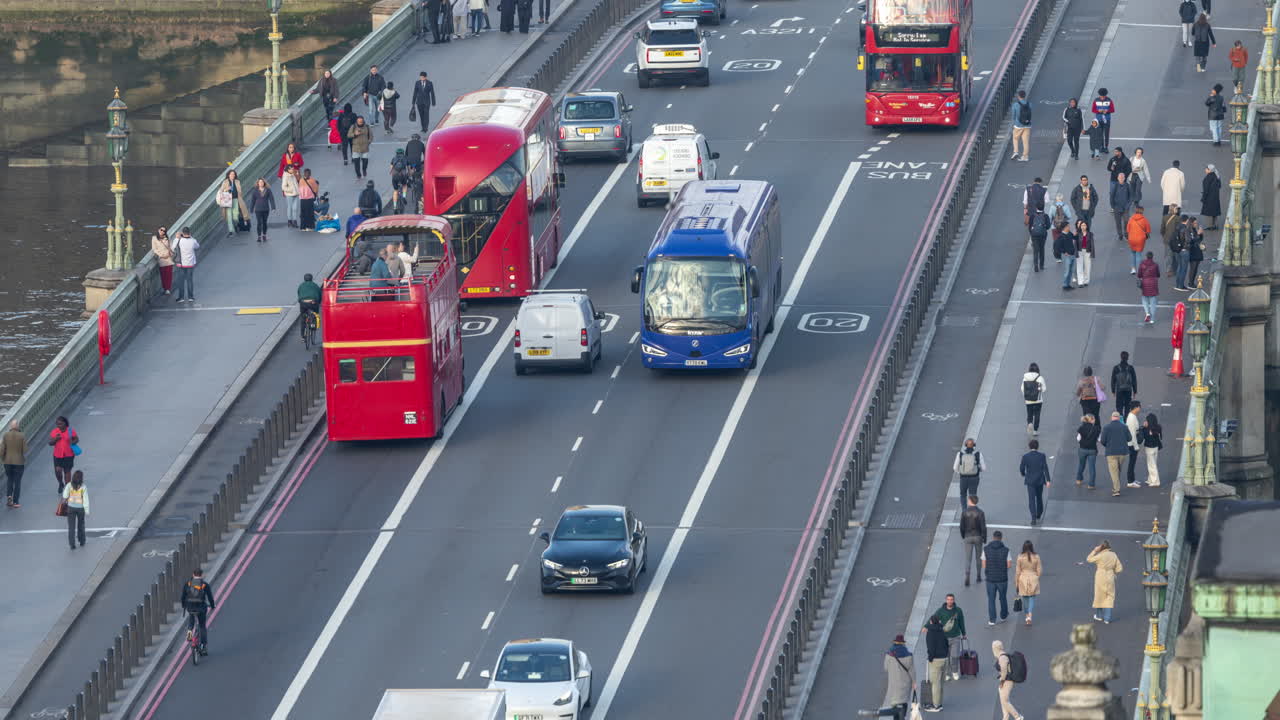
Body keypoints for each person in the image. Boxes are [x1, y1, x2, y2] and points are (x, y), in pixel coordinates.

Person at [182, 568, 217, 655]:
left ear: (193, 575)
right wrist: (212, 606)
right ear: (201, 575)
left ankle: (189, 632)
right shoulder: (205, 585)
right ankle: (203, 646)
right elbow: (210, 597)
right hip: (201, 608)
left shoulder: (188, 584)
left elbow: (183, 596)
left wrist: (184, 605)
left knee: (191, 619)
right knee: (202, 626)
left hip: (190, 607)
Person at [1087, 541, 1123, 624]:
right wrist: (1113, 570)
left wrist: (1094, 550)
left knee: (1099, 596)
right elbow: (1119, 568)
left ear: (1101, 548)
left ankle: (1099, 616)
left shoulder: (1100, 556)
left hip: (1100, 576)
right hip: (1110, 576)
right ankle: (1107, 618)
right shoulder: (1114, 555)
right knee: (1110, 596)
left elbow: (1088, 559)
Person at [883, 634, 916, 719]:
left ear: (895, 642)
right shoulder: (908, 655)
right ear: (903, 643)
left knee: (895, 704)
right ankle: (902, 717)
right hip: (905, 685)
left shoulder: (889, 655)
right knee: (903, 702)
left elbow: (886, 668)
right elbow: (912, 671)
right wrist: (914, 682)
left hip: (894, 684)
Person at [982, 530, 1011, 625]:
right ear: (1001, 538)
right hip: (1002, 579)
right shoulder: (1006, 550)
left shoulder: (986, 549)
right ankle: (1003, 615)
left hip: (990, 579)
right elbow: (1009, 565)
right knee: (1003, 598)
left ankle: (992, 619)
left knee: (991, 599)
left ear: (993, 538)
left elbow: (983, 565)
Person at [1100, 411, 1131, 497]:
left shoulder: (1106, 427)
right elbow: (1129, 438)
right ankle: (1116, 486)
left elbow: (1102, 441)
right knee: (1118, 470)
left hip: (1111, 453)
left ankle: (1116, 490)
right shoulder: (1124, 427)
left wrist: (1108, 445)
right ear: (1119, 418)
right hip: (1122, 453)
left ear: (1112, 417)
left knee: (1114, 471)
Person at [1019, 439, 1050, 525]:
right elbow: (1045, 468)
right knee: (1039, 497)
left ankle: (1033, 518)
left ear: (1029, 447)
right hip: (1040, 480)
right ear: (1037, 446)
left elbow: (1021, 468)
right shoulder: (1042, 456)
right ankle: (1039, 514)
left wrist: (1023, 474)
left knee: (1031, 499)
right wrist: (1048, 480)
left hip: (1030, 480)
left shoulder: (1025, 456)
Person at [992, 640, 1023, 720]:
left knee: (1005, 701)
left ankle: (1018, 717)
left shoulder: (1002, 657)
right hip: (1006, 680)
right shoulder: (1003, 654)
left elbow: (1004, 670)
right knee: (1004, 700)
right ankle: (1005, 717)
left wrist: (1002, 681)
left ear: (995, 649)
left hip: (1007, 681)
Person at [960, 496, 987, 587]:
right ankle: (978, 575)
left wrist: (963, 535)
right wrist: (984, 537)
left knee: (968, 558)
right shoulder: (980, 512)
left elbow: (962, 526)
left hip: (968, 536)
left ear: (970, 501)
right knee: (978, 557)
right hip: (978, 536)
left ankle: (967, 574)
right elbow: (983, 527)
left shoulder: (964, 512)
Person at [923, 616, 948, 712]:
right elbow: (946, 643)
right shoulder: (942, 630)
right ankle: (940, 703)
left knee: (935, 683)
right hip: (944, 658)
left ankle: (935, 705)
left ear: (931, 622)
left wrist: (930, 658)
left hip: (935, 660)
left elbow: (931, 647)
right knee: (941, 682)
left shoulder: (930, 633)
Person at [1014, 541, 1041, 626]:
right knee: (1032, 598)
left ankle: (1027, 615)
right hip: (1033, 578)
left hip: (1023, 578)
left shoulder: (1020, 557)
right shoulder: (1036, 557)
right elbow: (1039, 570)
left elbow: (1018, 571)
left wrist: (1016, 582)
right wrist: (1036, 576)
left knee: (1025, 598)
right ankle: (1030, 615)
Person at [172, 227, 200, 303]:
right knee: (189, 280)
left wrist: (176, 238)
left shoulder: (179, 240)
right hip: (190, 263)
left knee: (181, 281)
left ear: (182, 233)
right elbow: (197, 246)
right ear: (189, 233)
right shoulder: (193, 240)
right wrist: (191, 237)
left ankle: (181, 297)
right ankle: (191, 297)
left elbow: (173, 248)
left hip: (181, 264)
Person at [953, 437, 986, 501]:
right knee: (973, 496)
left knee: (963, 495)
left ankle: (964, 510)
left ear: (965, 445)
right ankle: (972, 510)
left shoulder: (960, 454)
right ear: (974, 445)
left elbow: (954, 468)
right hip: (974, 478)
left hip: (963, 478)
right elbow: (984, 468)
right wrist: (978, 470)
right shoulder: (978, 454)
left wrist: (961, 472)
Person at [2, 421, 26, 508]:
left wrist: (3, 459)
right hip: (19, 462)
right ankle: (16, 502)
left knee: (10, 479)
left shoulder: (5, 435)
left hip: (7, 462)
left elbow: (1, 449)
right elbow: (25, 450)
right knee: (17, 481)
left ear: (10, 427)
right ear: (18, 426)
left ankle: (9, 496)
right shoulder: (22, 435)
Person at [62, 470, 89, 549]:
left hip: (71, 508)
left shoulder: (69, 485)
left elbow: (65, 496)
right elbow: (86, 499)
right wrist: (87, 510)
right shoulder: (83, 487)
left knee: (71, 527)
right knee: (81, 525)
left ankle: (72, 543)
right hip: (80, 509)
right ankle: (82, 540)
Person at [218, 169, 248, 237]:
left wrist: (239, 193)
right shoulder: (225, 182)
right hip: (228, 200)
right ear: (228, 175)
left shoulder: (237, 181)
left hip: (235, 199)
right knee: (229, 216)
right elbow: (221, 191)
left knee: (235, 215)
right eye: (231, 174)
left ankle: (236, 225)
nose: (233, 175)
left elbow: (240, 191)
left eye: (234, 174)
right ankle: (231, 231)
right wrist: (226, 189)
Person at [247, 178, 276, 243]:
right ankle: (259, 236)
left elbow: (271, 199)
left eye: (262, 182)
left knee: (264, 222)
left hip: (266, 209)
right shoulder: (255, 191)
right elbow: (252, 201)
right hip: (258, 209)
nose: (261, 183)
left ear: (264, 183)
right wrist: (251, 209)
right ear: (257, 183)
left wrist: (273, 207)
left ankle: (264, 235)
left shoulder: (268, 190)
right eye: (259, 182)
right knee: (259, 223)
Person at [1076, 413, 1100, 489]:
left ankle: (1079, 479)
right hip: (1092, 450)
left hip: (1082, 449)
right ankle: (1091, 484)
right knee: (1092, 467)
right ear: (1091, 420)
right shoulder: (1097, 429)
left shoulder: (1081, 427)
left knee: (1081, 465)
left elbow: (1078, 439)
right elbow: (1099, 439)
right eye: (1094, 419)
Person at [1111, 351, 1138, 416]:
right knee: (1127, 407)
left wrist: (1113, 391)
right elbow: (1134, 380)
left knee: (1119, 406)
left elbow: (1113, 380)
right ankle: (1126, 420)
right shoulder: (1130, 368)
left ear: (1121, 357)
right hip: (1128, 390)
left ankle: (1120, 421)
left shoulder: (1116, 368)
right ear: (1127, 358)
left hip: (1119, 390)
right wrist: (1135, 391)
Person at [1139, 413, 1164, 487]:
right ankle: (1150, 479)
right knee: (1154, 464)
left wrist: (1143, 427)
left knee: (1151, 465)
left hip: (1149, 448)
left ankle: (1155, 481)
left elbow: (1142, 437)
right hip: (1156, 447)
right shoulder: (1158, 427)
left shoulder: (1146, 429)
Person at [1021, 363, 1045, 435]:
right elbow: (1044, 389)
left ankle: (1030, 423)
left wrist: (1026, 395)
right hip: (1038, 399)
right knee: (1037, 414)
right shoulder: (1040, 378)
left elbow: (1022, 388)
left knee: (1029, 413)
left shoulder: (1025, 378)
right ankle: (1035, 430)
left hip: (1028, 400)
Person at [1126, 205, 1150, 275]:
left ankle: (1133, 268)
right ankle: (1139, 269)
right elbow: (1148, 230)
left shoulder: (1131, 219)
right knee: (1138, 254)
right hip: (1140, 239)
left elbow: (1127, 230)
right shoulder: (1144, 220)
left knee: (1132, 253)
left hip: (1131, 239)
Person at [1027, 202, 1050, 272]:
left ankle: (1036, 266)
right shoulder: (1045, 216)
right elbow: (1048, 226)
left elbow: (1029, 226)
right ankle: (1041, 265)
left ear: (1036, 208)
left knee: (1035, 250)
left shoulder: (1032, 216)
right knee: (1042, 249)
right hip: (1042, 235)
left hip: (1034, 235)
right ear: (1043, 208)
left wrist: (1032, 233)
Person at [1125, 401, 1143, 488]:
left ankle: (1132, 479)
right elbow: (1132, 434)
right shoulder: (1132, 418)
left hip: (1131, 443)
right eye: (1139, 407)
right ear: (1135, 408)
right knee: (1132, 463)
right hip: (1132, 444)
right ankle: (1130, 481)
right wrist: (1136, 446)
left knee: (1132, 462)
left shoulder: (1132, 416)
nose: (1140, 408)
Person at [1054, 220, 1077, 290]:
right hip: (1068, 256)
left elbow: (1075, 238)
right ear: (1064, 228)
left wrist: (1075, 234)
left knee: (1071, 271)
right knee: (1067, 271)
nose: (1069, 227)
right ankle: (1065, 285)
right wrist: (1064, 252)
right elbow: (1057, 246)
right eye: (1068, 226)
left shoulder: (1069, 233)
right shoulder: (1061, 236)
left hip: (1073, 254)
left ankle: (1068, 284)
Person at [297, 273, 322, 337]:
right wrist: (319, 302)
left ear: (304, 279)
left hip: (303, 303)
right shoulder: (315, 285)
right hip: (313, 302)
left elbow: (299, 294)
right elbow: (319, 295)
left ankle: (302, 336)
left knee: (303, 317)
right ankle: (313, 325)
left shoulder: (301, 285)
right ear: (312, 279)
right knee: (315, 313)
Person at [152, 226, 174, 295]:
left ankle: (168, 288)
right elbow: (154, 249)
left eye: (164, 231)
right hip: (161, 258)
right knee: (163, 274)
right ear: (158, 230)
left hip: (168, 258)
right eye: (161, 230)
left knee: (169, 275)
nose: (162, 232)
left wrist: (168, 253)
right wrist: (161, 255)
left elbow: (171, 247)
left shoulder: (167, 238)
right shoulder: (154, 238)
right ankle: (165, 288)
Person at [1010, 89, 1031, 162]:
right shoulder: (1029, 104)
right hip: (1028, 125)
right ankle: (1025, 157)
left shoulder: (1015, 105)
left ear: (1018, 96)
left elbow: (1013, 115)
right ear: (1024, 96)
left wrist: (1014, 122)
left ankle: (1016, 152)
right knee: (1025, 141)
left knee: (1015, 138)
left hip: (1018, 125)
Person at [1110, 171, 1132, 241]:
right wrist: (1113, 206)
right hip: (1117, 207)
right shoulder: (1115, 186)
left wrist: (1128, 205)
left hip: (1125, 208)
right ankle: (1120, 234)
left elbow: (1130, 197)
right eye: (1120, 177)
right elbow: (1111, 196)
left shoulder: (1127, 185)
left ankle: (1126, 234)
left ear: (1124, 178)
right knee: (1118, 222)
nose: (1121, 179)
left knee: (1126, 221)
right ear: (1118, 178)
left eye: (1123, 177)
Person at [1170, 216, 1190, 290]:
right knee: (1184, 269)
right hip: (1184, 251)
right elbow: (1188, 240)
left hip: (1177, 250)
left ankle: (1177, 284)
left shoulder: (1176, 228)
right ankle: (1181, 285)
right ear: (1187, 220)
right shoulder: (1185, 229)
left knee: (1179, 267)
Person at [1162, 203, 1182, 274]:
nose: (1177, 210)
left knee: (1168, 255)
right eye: (1176, 208)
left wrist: (1164, 236)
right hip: (1176, 240)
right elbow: (1180, 230)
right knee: (1176, 255)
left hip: (1167, 239)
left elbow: (1162, 229)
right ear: (1174, 210)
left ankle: (1168, 270)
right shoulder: (1178, 218)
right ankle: (1175, 269)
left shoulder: (1165, 217)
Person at [1201, 164, 1222, 230]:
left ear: (1209, 170)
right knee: (1214, 212)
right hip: (1215, 198)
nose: (1205, 170)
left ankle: (1210, 226)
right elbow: (1219, 186)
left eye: (1206, 169)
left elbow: (1206, 189)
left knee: (1209, 213)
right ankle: (1215, 225)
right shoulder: (1216, 176)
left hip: (1209, 198)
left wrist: (1203, 198)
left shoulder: (1208, 178)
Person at [1075, 219, 1095, 286]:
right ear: (1080, 226)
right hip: (1079, 251)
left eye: (1084, 225)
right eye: (1082, 225)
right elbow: (1075, 244)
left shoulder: (1090, 234)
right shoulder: (1078, 234)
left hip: (1087, 251)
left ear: (1087, 226)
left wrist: (1092, 253)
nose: (1083, 227)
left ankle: (1086, 281)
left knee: (1087, 266)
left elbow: (1092, 244)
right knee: (1079, 267)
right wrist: (1076, 253)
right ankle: (1080, 282)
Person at [1186, 218, 1205, 287]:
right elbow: (1190, 240)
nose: (1196, 224)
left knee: (1196, 267)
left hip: (1197, 250)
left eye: (1196, 223)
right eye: (1195, 223)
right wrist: (1197, 234)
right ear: (1191, 223)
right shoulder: (1188, 230)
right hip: (1192, 250)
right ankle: (1190, 283)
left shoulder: (1195, 229)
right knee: (1193, 268)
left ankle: (1192, 282)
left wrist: (1201, 234)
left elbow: (1200, 239)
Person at [281, 164, 300, 228]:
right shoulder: (286, 176)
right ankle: (289, 221)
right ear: (288, 170)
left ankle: (294, 221)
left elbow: (296, 183)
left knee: (295, 208)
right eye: (292, 169)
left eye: (293, 168)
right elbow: (283, 187)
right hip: (290, 195)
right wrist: (291, 190)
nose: (293, 169)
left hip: (295, 194)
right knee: (289, 207)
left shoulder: (293, 175)